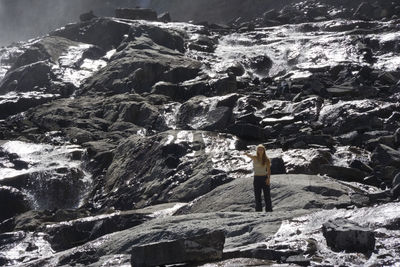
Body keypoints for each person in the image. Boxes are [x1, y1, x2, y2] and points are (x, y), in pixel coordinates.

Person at [245, 144, 272, 212]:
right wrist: (246, 153)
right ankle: (258, 210)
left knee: (267, 196)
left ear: (264, 150)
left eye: (261, 149)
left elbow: (268, 170)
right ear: (257, 150)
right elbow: (249, 155)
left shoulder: (267, 159)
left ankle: (269, 210)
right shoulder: (255, 157)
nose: (260, 150)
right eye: (259, 149)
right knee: (257, 195)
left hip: (264, 178)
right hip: (256, 178)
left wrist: (268, 179)